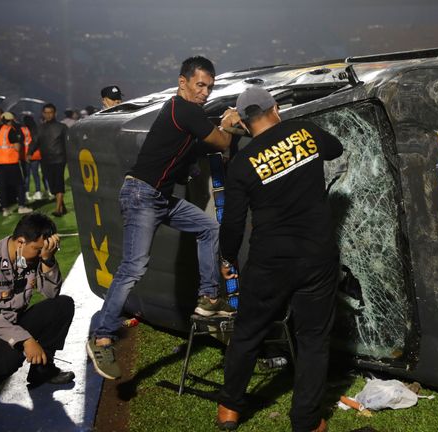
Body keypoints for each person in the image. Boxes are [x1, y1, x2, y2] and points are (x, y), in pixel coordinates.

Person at [86, 56, 241, 380]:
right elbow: (222, 141)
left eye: (209, 87)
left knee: (208, 228)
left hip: (158, 198)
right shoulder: (183, 109)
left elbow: (195, 151)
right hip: (142, 195)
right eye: (200, 85)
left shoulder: (185, 116)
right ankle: (101, 337)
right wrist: (227, 124)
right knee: (134, 267)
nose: (205, 92)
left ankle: (209, 298)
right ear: (182, 82)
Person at [216, 87, 343, 432]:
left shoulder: (242, 163)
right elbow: (336, 148)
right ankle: (306, 421)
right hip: (316, 256)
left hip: (269, 261)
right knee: (313, 340)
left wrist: (228, 257)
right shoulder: (304, 132)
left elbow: (233, 221)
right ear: (277, 107)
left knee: (248, 333)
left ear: (242, 121)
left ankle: (229, 408)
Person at [0, 213, 75, 402]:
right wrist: (25, 340)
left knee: (62, 305)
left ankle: (41, 371)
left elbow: (51, 294)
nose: (40, 253)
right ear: (20, 242)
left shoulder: (32, 257)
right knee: (14, 352)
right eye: (37, 249)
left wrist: (48, 260)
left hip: (12, 324)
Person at [28, 103, 68, 216]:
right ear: (42, 114)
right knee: (52, 186)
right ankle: (61, 206)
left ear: (55, 113)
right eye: (46, 113)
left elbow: (68, 143)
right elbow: (34, 142)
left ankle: (58, 209)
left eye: (50, 112)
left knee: (59, 183)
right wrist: (29, 153)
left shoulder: (62, 127)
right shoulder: (40, 128)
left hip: (59, 159)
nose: (48, 115)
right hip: (45, 160)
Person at [0, 112, 31, 216]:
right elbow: (17, 148)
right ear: (10, 120)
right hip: (10, 161)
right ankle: (21, 206)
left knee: (2, 186)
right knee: (19, 185)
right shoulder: (9, 130)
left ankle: (5, 209)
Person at [21, 115, 44, 201]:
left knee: (26, 176)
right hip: (35, 154)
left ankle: (26, 193)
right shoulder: (36, 129)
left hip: (25, 154)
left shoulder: (22, 130)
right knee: (36, 175)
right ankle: (38, 192)